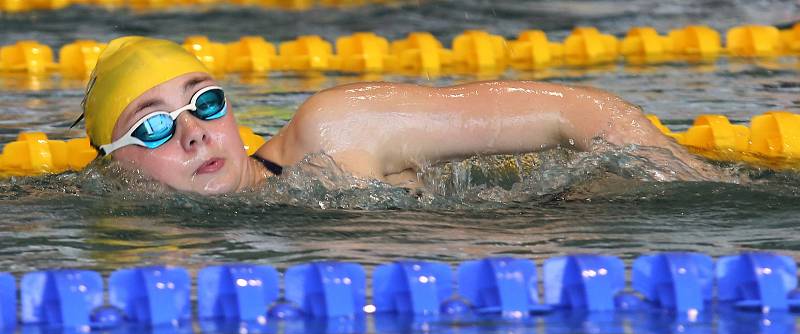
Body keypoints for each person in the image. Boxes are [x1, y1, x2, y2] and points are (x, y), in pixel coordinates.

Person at [78, 36, 709, 195]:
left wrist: (709, 189)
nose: (195, 132)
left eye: (205, 101)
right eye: (154, 124)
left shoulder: (338, 130)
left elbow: (579, 114)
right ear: (114, 166)